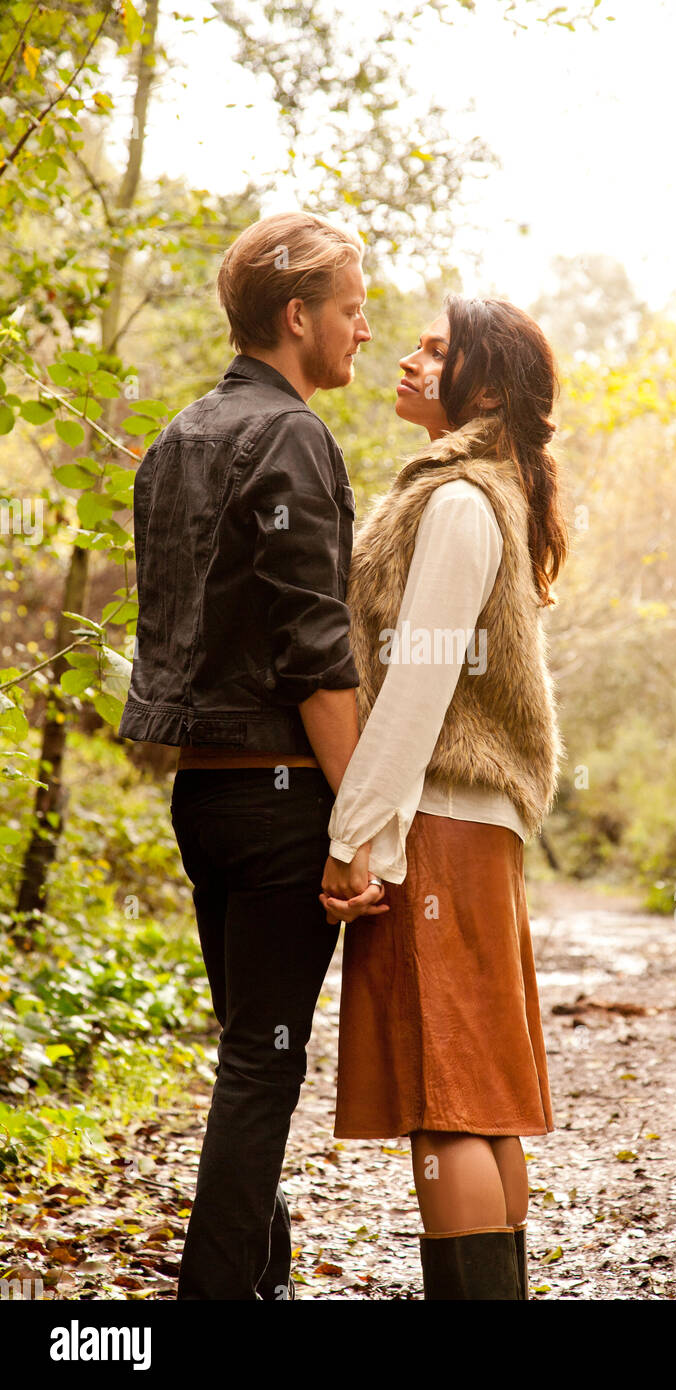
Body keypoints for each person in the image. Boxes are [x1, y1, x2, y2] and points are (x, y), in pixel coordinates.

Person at [117, 210, 387, 1300]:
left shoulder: (178, 436)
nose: (363, 330)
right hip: (280, 805)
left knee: (246, 1053)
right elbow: (315, 653)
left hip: (205, 802)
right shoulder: (290, 435)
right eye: (352, 309)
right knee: (263, 1061)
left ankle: (258, 1276)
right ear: (296, 316)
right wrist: (358, 823)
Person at [320, 294, 568, 1300]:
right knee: (482, 1101)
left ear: (485, 383)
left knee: (450, 1101)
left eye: (437, 348)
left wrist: (356, 836)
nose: (409, 358)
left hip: (440, 823)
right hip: (469, 827)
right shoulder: (476, 490)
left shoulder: (460, 500)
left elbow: (417, 686)